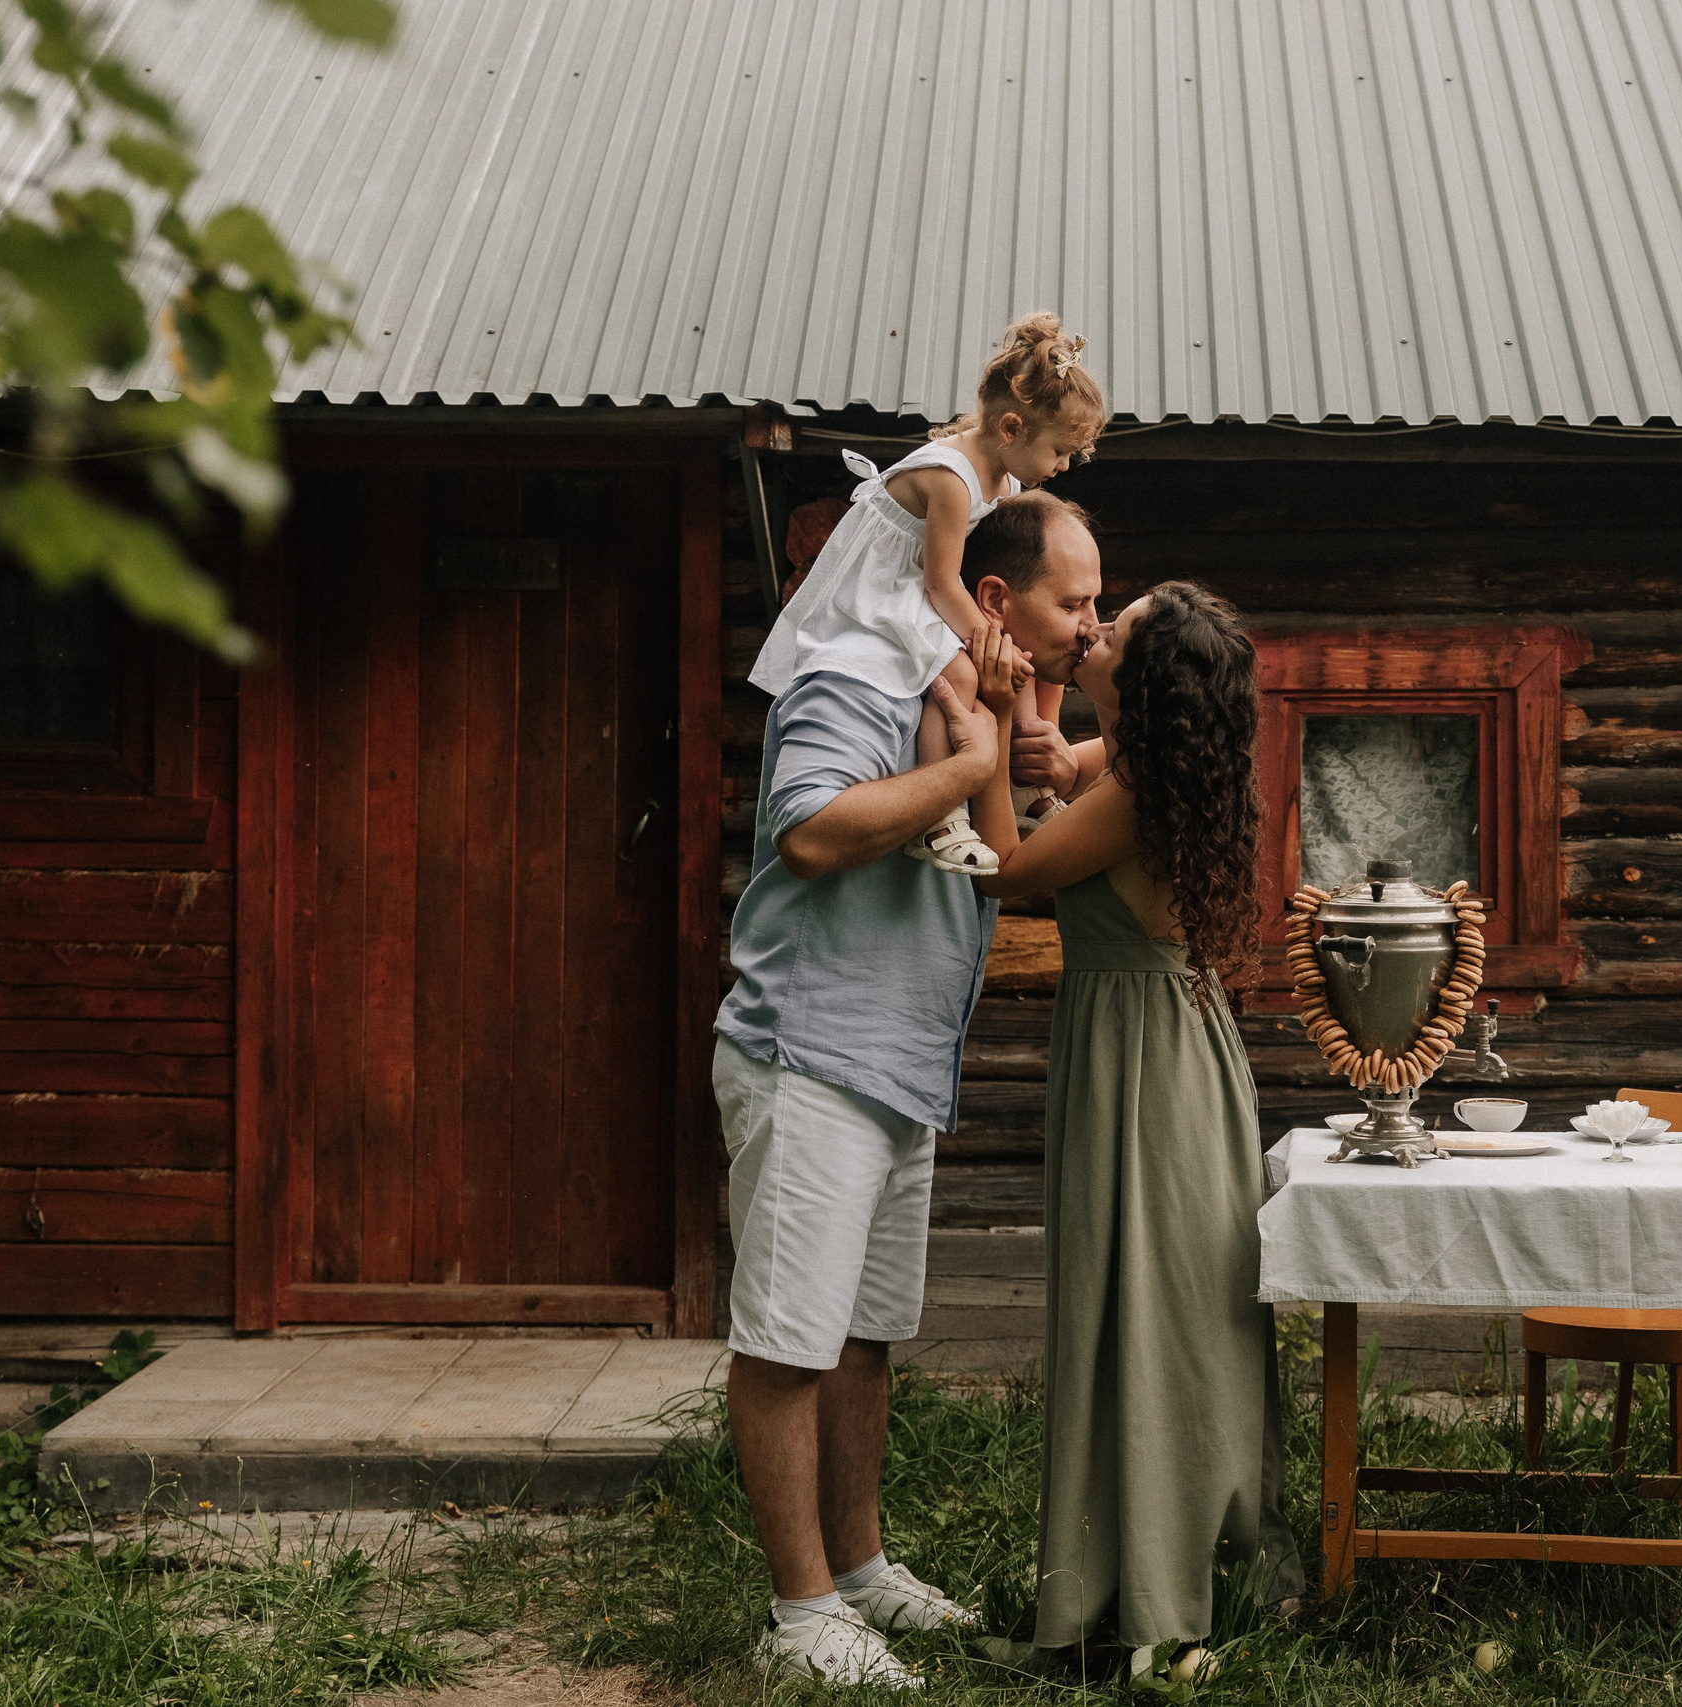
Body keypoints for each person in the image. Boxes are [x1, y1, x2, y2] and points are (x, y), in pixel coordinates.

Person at [713, 490, 1102, 1689]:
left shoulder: (976, 690)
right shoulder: (853, 671)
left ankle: (863, 1571)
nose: (1087, 627)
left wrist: (1011, 747)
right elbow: (814, 834)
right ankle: (799, 1612)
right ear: (995, 600)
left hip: (897, 1064)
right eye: (1070, 602)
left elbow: (1002, 854)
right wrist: (980, 755)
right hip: (810, 1049)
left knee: (864, 1338)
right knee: (789, 1341)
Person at [973, 581, 1305, 1663]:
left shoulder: (1131, 793)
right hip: (1171, 1047)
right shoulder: (1131, 765)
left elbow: (1009, 870)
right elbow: (1051, 762)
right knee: (1160, 1304)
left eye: (1110, 629)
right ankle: (1173, 1551)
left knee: (1153, 1306)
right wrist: (1027, 708)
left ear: (1140, 680)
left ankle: (1146, 1586)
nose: (1091, 626)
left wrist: (978, 724)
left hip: (1145, 1064)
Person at [748, 312, 1104, 874]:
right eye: (1060, 451)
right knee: (960, 674)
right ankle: (943, 819)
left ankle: (1028, 795)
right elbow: (939, 582)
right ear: (1011, 429)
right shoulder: (952, 478)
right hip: (889, 589)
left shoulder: (1007, 478)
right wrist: (987, 638)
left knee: (1017, 667)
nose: (1062, 466)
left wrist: (1009, 649)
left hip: (927, 587)